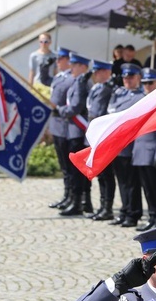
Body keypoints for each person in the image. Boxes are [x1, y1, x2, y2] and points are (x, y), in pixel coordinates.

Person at [108, 63, 145, 228]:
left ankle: (133, 212)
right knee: (122, 181)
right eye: (125, 77)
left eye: (131, 77)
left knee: (131, 183)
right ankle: (124, 209)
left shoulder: (141, 97)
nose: (127, 81)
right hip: (117, 144)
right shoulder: (118, 94)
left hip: (129, 145)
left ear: (138, 78)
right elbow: (110, 111)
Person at [133, 68, 156, 232]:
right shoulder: (142, 100)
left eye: (150, 83)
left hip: (154, 150)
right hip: (140, 149)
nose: (147, 86)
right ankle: (153, 216)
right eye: (144, 83)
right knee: (147, 188)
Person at [55, 52, 91, 216]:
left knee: (77, 170)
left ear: (83, 67)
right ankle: (77, 200)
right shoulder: (78, 81)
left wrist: (60, 110)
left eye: (75, 65)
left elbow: (76, 107)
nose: (72, 68)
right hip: (72, 130)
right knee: (72, 169)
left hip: (77, 131)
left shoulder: (82, 83)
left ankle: (78, 202)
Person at [86, 59, 117, 221]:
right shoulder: (96, 88)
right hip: (96, 136)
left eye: (99, 71)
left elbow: (99, 112)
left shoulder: (107, 89)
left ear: (106, 72)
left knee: (106, 174)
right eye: (95, 71)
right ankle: (102, 205)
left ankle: (107, 207)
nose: (96, 74)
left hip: (104, 137)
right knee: (101, 174)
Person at [47, 48, 75, 211]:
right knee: (63, 166)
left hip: (66, 126)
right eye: (56, 59)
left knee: (69, 166)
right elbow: (44, 79)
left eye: (60, 59)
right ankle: (67, 195)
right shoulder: (58, 77)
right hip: (56, 125)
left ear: (68, 60)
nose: (57, 61)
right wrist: (46, 66)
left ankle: (72, 196)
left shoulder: (71, 79)